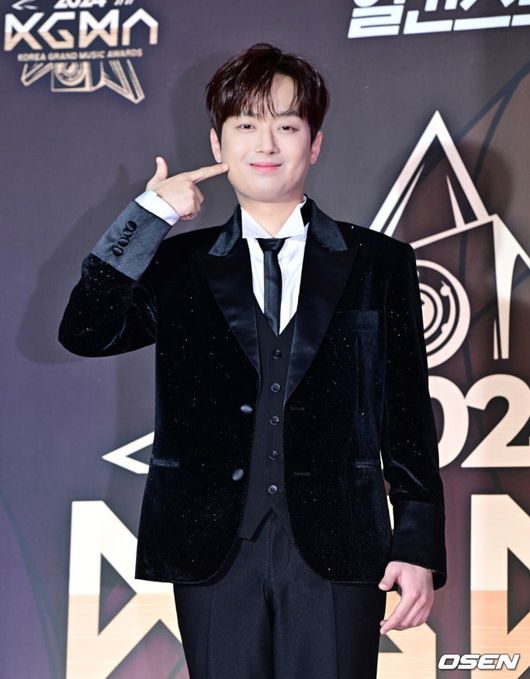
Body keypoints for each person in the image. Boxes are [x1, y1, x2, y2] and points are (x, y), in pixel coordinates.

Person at [58, 42, 446, 679]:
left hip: (341, 546)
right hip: (212, 547)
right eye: (246, 125)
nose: (266, 143)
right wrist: (149, 216)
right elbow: (85, 329)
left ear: (314, 144)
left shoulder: (378, 263)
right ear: (218, 144)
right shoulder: (178, 264)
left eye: (287, 126)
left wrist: (418, 543)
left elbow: (406, 413)